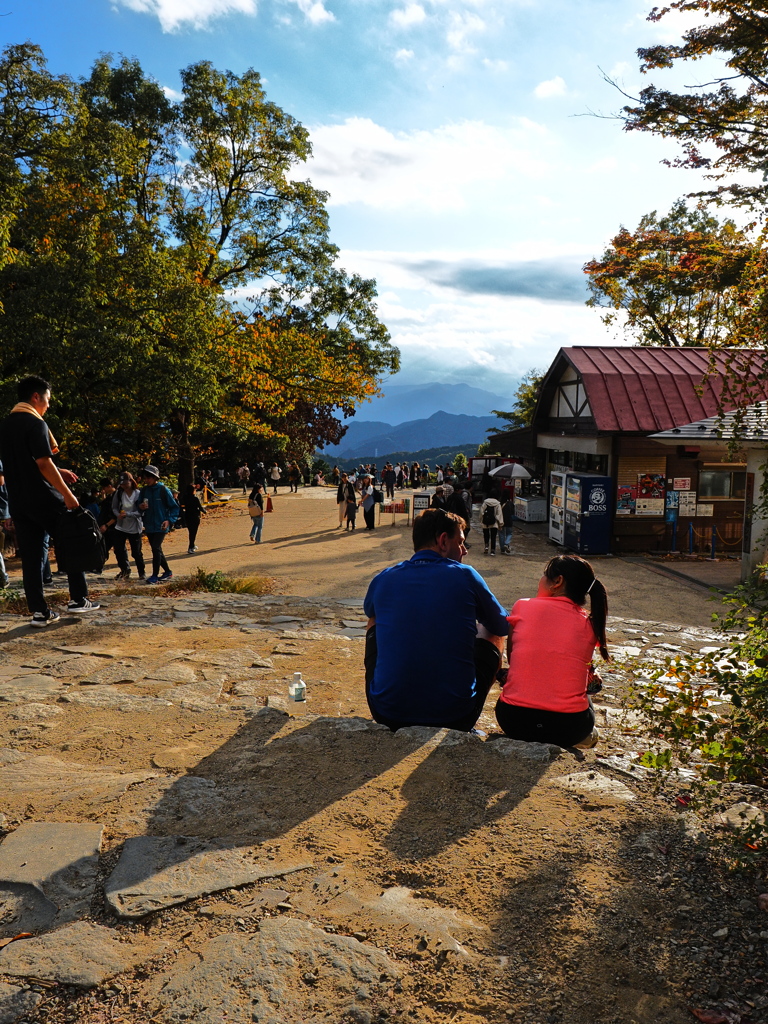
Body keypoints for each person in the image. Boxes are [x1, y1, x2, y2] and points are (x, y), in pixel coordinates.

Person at [364, 508, 508, 731]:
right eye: (460, 542)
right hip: (455, 716)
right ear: (443, 541)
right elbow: (501, 624)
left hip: (387, 712)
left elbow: (370, 611)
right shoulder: (465, 575)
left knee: (375, 619)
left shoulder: (384, 577)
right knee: (492, 632)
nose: (464, 551)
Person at [0, 375, 100, 625]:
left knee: (32, 556)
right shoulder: (37, 424)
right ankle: (79, 599)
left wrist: (60, 469)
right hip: (44, 497)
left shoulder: (5, 425)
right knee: (71, 541)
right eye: (47, 399)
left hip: (19, 501)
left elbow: (24, 462)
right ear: (36, 396)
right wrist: (68, 494)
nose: (48, 404)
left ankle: (39, 611)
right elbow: (43, 462)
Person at [495, 554, 609, 749]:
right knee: (586, 682)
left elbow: (514, 660)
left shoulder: (522, 606)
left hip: (513, 720)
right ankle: (587, 737)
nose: (540, 580)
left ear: (558, 581)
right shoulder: (590, 623)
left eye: (544, 575)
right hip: (570, 727)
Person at [138, 465, 179, 584]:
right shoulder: (144, 490)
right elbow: (138, 505)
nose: (147, 480)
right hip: (149, 524)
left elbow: (174, 507)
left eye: (149, 477)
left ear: (155, 478)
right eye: (145, 477)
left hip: (162, 525)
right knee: (157, 549)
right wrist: (140, 506)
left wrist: (169, 520)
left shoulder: (163, 490)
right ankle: (167, 571)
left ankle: (154, 575)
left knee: (155, 548)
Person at [112, 472, 145, 581]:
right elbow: (114, 507)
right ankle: (125, 570)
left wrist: (129, 514)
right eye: (122, 484)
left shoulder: (138, 494)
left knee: (136, 552)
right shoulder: (119, 493)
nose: (124, 486)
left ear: (131, 481)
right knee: (119, 550)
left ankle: (141, 572)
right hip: (121, 526)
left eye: (126, 484)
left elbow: (141, 511)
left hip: (134, 526)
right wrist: (118, 515)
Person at [180, 484, 206, 553]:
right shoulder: (195, 498)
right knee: (193, 532)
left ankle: (193, 545)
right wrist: (204, 511)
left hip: (187, 516)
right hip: (194, 516)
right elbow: (200, 507)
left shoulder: (184, 497)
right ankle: (190, 547)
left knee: (190, 531)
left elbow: (182, 505)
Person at [480, 490, 503, 556]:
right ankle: (493, 550)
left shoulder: (485, 502)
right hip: (494, 523)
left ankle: (486, 546)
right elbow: (499, 514)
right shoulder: (497, 504)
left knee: (486, 535)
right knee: (493, 536)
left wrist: (481, 520)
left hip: (485, 522)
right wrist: (500, 524)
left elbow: (481, 512)